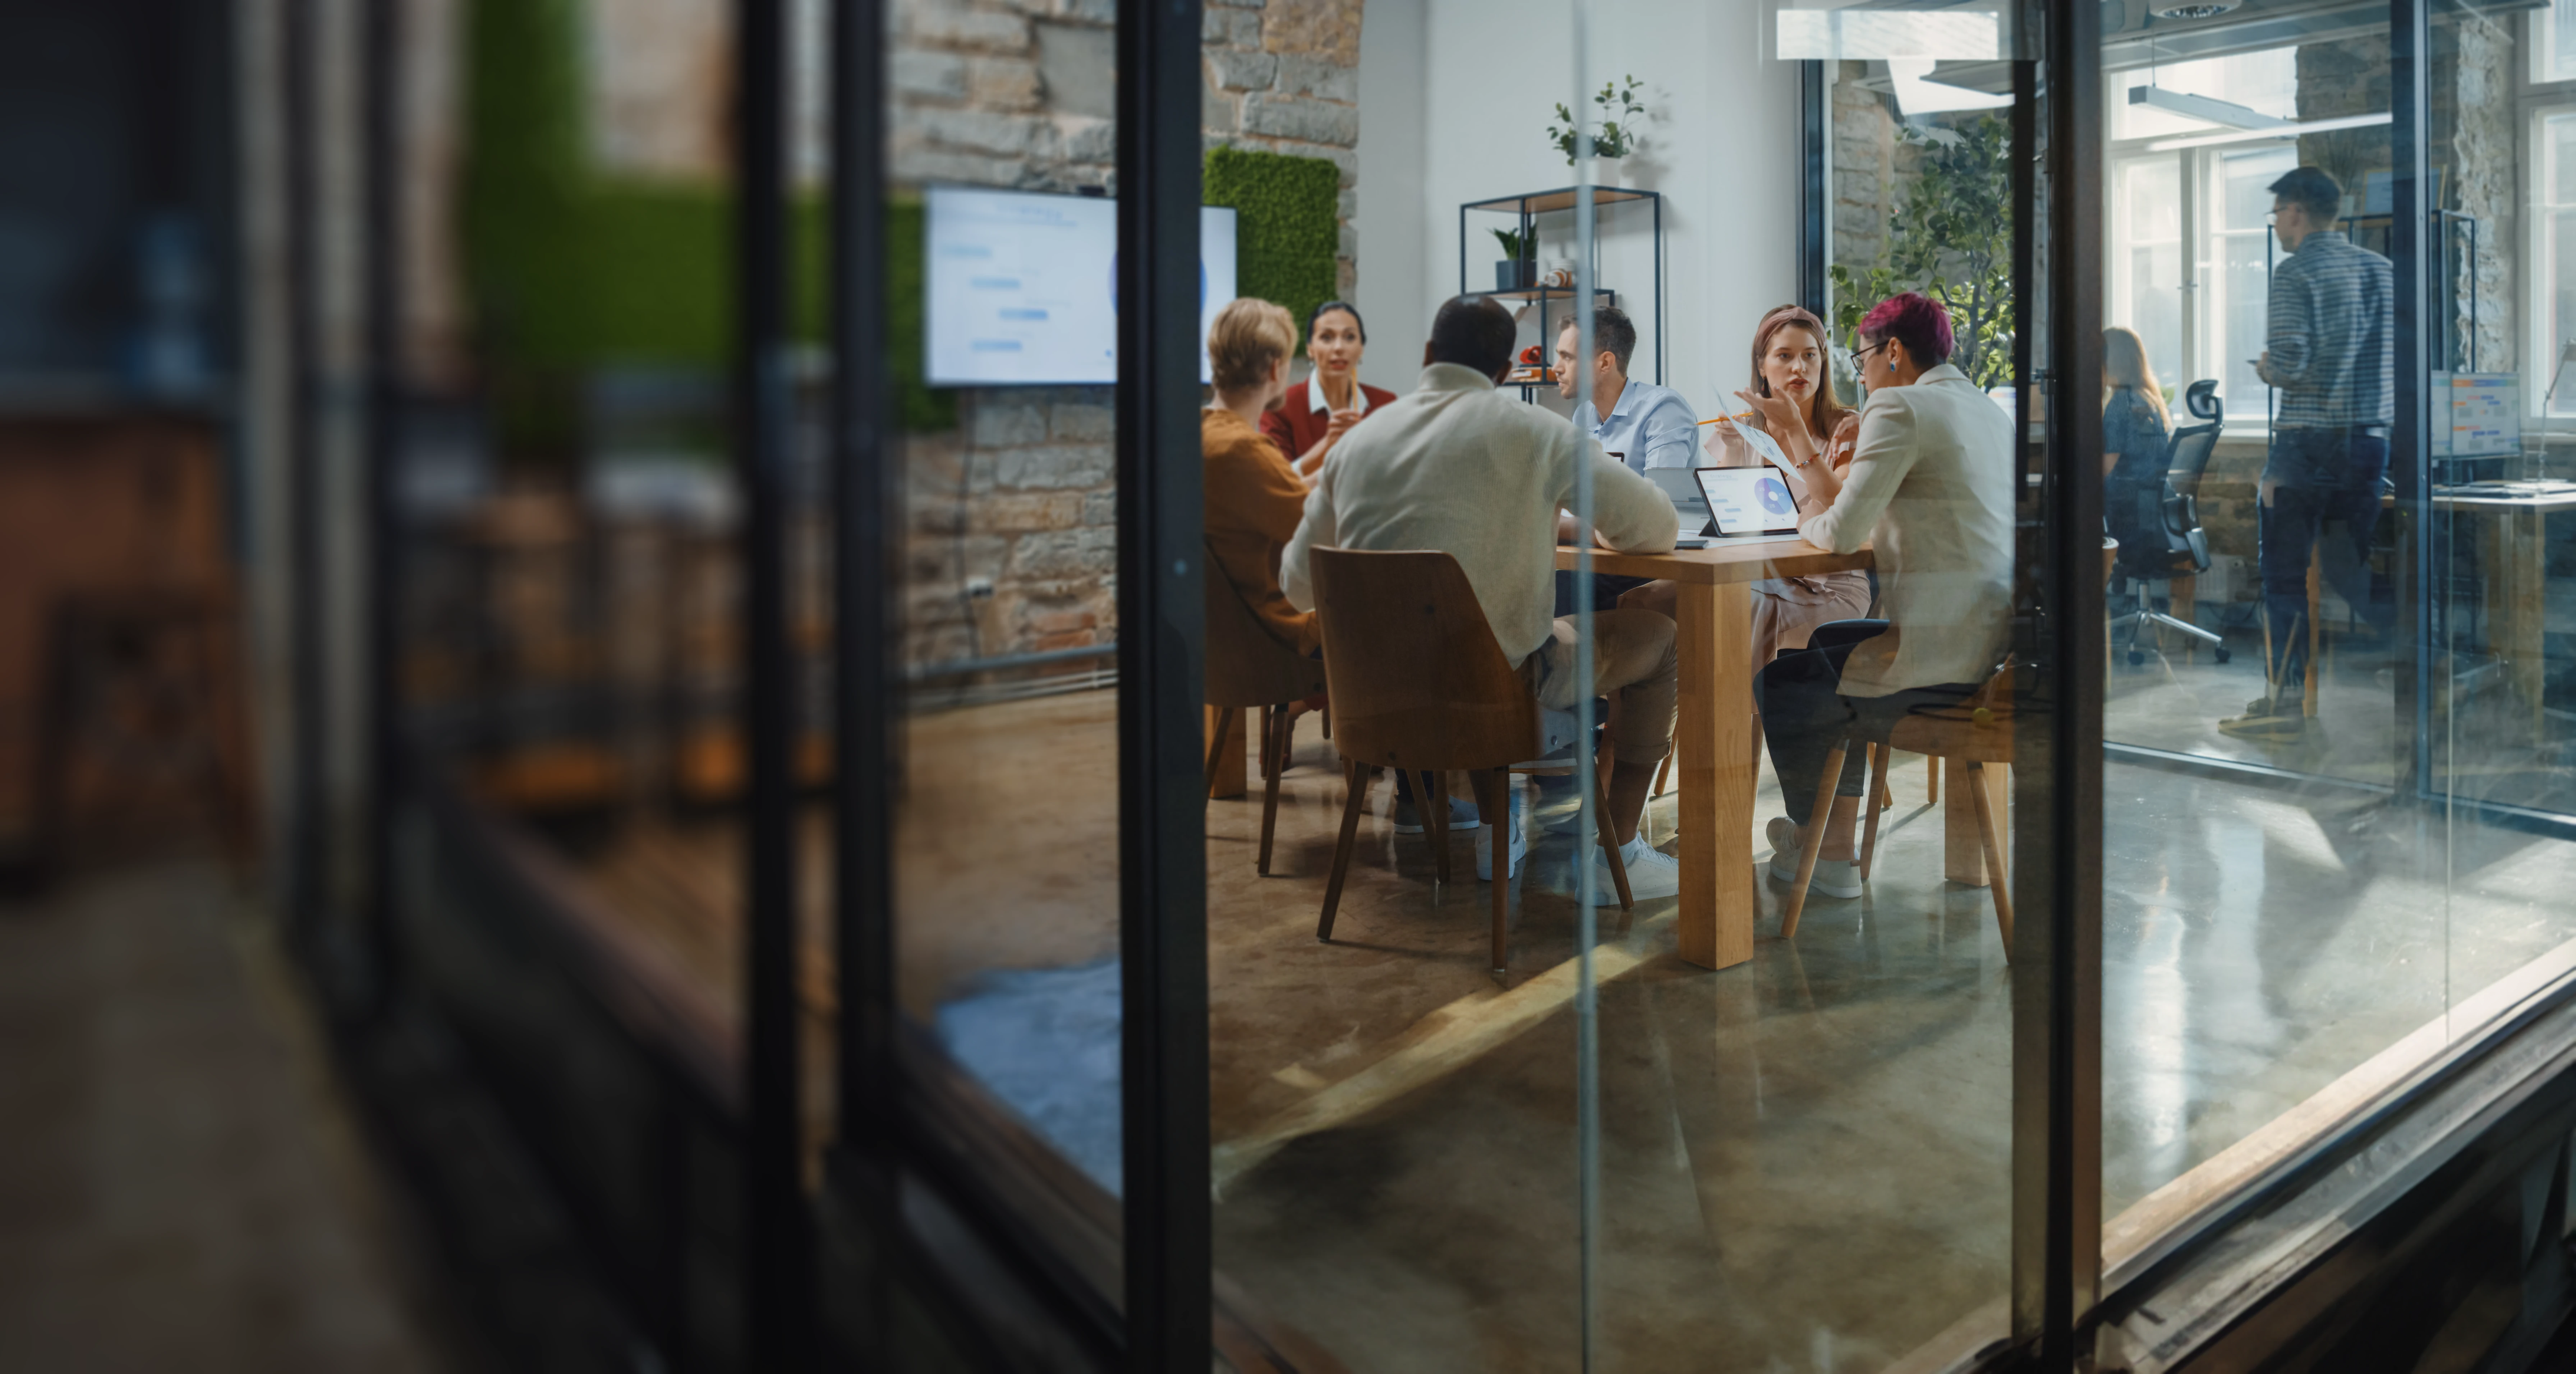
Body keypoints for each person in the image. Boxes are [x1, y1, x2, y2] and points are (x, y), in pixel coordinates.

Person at [1282, 295, 1684, 897]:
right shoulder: (1537, 432)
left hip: (1375, 700)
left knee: (1478, 634)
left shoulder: (1357, 444)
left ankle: (1497, 828)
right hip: (1500, 693)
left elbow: (1294, 584)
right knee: (1657, 637)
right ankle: (1618, 849)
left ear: (1426, 356)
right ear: (1501, 373)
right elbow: (1658, 527)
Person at [1755, 292, 2015, 900]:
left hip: (1942, 653)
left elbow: (1840, 529)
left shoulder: (1898, 405)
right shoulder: (1982, 408)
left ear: (1893, 351)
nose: (1860, 371)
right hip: (1994, 646)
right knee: (1821, 646)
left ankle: (1827, 850)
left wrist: (1795, 521)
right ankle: (1830, 838)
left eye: (1862, 355)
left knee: (1782, 681)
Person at [2225, 165, 2392, 742]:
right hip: (2370, 442)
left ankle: (2284, 704)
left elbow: (2293, 363)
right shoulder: (2383, 270)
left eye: (2277, 214)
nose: (2276, 225)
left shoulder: (2296, 272)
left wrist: (2269, 368)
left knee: (2283, 578)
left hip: (2307, 445)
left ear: (2296, 211)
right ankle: (2432, 664)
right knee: (2354, 573)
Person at [1695, 303, 1874, 668]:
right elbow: (1727, 521)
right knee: (1651, 600)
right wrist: (1732, 448)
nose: (1799, 367)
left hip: (1829, 585)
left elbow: (1842, 506)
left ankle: (1736, 723)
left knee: (1733, 608)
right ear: (1761, 365)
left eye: (1810, 355)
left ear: (1822, 364)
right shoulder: (1744, 429)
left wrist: (1795, 429)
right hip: (1758, 577)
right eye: (1785, 355)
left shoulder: (1847, 428)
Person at [1201, 298, 1319, 658]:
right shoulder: (1244, 450)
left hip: (1217, 632)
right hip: (1276, 633)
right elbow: (1315, 531)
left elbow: (1288, 495)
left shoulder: (1200, 434)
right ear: (1273, 369)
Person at [1262, 300, 1399, 481]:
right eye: (1327, 338)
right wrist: (1327, 444)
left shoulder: (1385, 404)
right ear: (1310, 349)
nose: (1339, 348)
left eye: (1350, 337)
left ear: (1361, 349)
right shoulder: (1280, 407)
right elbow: (1276, 484)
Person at [2100, 326, 2174, 584]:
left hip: (2127, 511)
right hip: (2149, 511)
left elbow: (2106, 468)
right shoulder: (2148, 399)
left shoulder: (2120, 403)